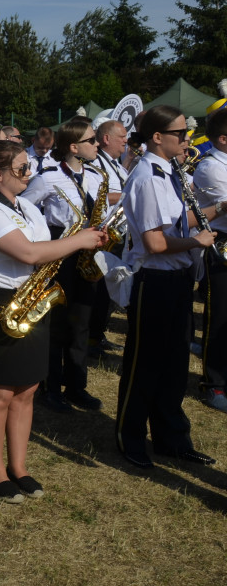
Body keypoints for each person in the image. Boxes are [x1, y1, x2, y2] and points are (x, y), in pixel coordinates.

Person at [0, 141, 106, 502]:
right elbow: (28, 252)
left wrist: (81, 243)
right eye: (21, 169)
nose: (29, 174)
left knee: (27, 390)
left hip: (32, 298)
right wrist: (79, 240)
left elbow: (44, 252)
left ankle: (20, 466)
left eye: (28, 167)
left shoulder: (27, 205)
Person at [116, 104, 223, 468]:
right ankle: (129, 437)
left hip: (177, 279)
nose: (187, 139)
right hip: (155, 280)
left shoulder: (171, 170)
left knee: (175, 364)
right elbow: (156, 242)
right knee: (145, 364)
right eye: (180, 133)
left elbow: (179, 219)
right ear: (157, 137)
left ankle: (171, 438)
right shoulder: (147, 177)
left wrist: (218, 210)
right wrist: (197, 242)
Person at [21, 118, 106, 413]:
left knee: (81, 323)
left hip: (87, 253)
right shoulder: (48, 177)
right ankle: (51, 387)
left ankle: (76, 386)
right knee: (56, 324)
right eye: (92, 140)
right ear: (74, 147)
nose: (97, 144)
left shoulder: (96, 176)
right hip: (59, 250)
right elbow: (24, 211)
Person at [87, 119, 131, 357]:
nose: (126, 140)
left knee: (110, 289)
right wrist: (128, 194)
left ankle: (98, 334)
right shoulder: (96, 162)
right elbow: (97, 195)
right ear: (107, 139)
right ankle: (92, 339)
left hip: (118, 230)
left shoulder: (116, 163)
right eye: (122, 136)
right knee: (102, 290)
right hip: (105, 231)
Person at [195, 108, 227, 412]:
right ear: (223, 139)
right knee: (219, 318)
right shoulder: (211, 168)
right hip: (221, 245)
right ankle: (213, 383)